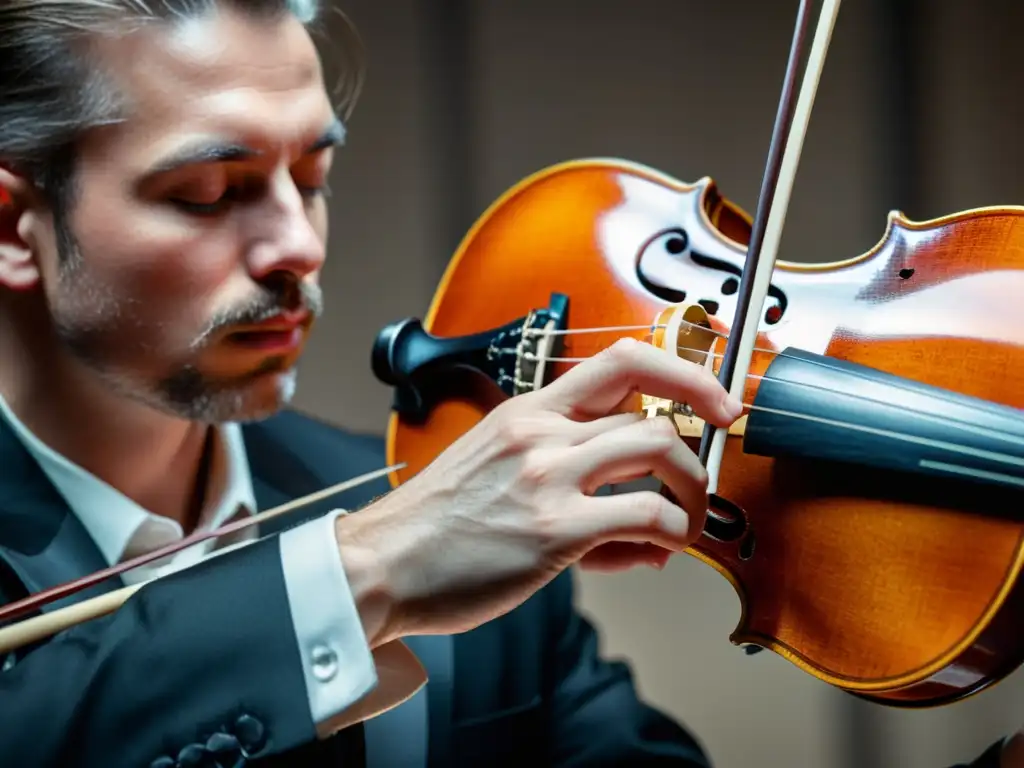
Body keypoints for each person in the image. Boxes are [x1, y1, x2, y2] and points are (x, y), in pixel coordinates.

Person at [0, 2, 1013, 767]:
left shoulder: (437, 496)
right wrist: (363, 576)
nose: (297, 246)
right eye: (208, 194)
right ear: (14, 226)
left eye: (311, 179)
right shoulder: (420, 531)